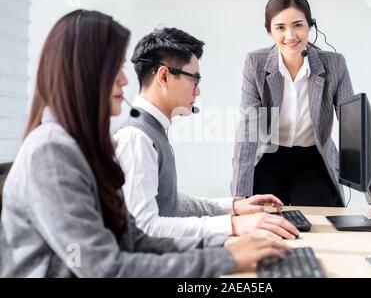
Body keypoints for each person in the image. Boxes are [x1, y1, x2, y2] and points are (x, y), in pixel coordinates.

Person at [0, 10, 290, 278]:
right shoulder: (52, 151)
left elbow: (136, 237)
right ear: (85, 73)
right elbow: (105, 269)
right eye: (113, 68)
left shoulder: (82, 146)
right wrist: (225, 252)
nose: (125, 80)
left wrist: (222, 243)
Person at [114, 27, 300, 239]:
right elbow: (144, 227)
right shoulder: (136, 138)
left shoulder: (151, 131)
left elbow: (169, 202)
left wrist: (233, 206)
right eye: (194, 79)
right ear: (164, 76)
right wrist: (232, 226)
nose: (198, 91)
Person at [231, 0, 371, 206]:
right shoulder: (255, 63)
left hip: (314, 159)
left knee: (319, 221)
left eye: (298, 25)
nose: (290, 35)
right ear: (269, 32)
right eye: (280, 27)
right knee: (264, 219)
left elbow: (353, 129)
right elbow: (248, 128)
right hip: (269, 158)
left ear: (310, 26)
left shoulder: (334, 65)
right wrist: (239, 196)